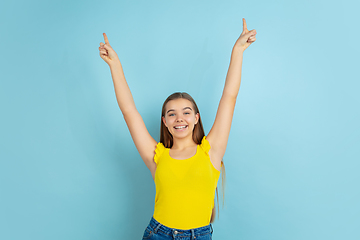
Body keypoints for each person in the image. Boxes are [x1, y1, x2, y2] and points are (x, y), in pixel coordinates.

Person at [99, 18, 256, 240]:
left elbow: (229, 97)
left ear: (196, 118)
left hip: (199, 235)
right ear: (165, 121)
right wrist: (115, 66)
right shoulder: (157, 156)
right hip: (158, 234)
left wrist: (237, 52)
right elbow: (129, 112)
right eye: (171, 114)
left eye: (186, 112)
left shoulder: (211, 151)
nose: (179, 118)